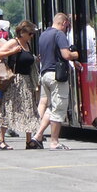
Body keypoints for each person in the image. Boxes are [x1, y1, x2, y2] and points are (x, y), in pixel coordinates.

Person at [33, 12, 79, 150]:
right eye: (68, 26)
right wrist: (75, 54)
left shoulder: (44, 35)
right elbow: (66, 54)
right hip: (56, 76)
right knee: (59, 108)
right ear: (64, 23)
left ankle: (38, 135)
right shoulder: (59, 35)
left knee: (51, 107)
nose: (67, 28)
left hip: (45, 74)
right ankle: (54, 142)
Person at [0, 20, 40, 149]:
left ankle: (29, 140)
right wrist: (12, 51)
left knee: (29, 109)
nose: (32, 36)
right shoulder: (14, 42)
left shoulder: (27, 44)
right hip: (15, 80)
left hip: (27, 80)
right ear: (22, 32)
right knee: (9, 108)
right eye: (30, 33)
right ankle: (1, 139)